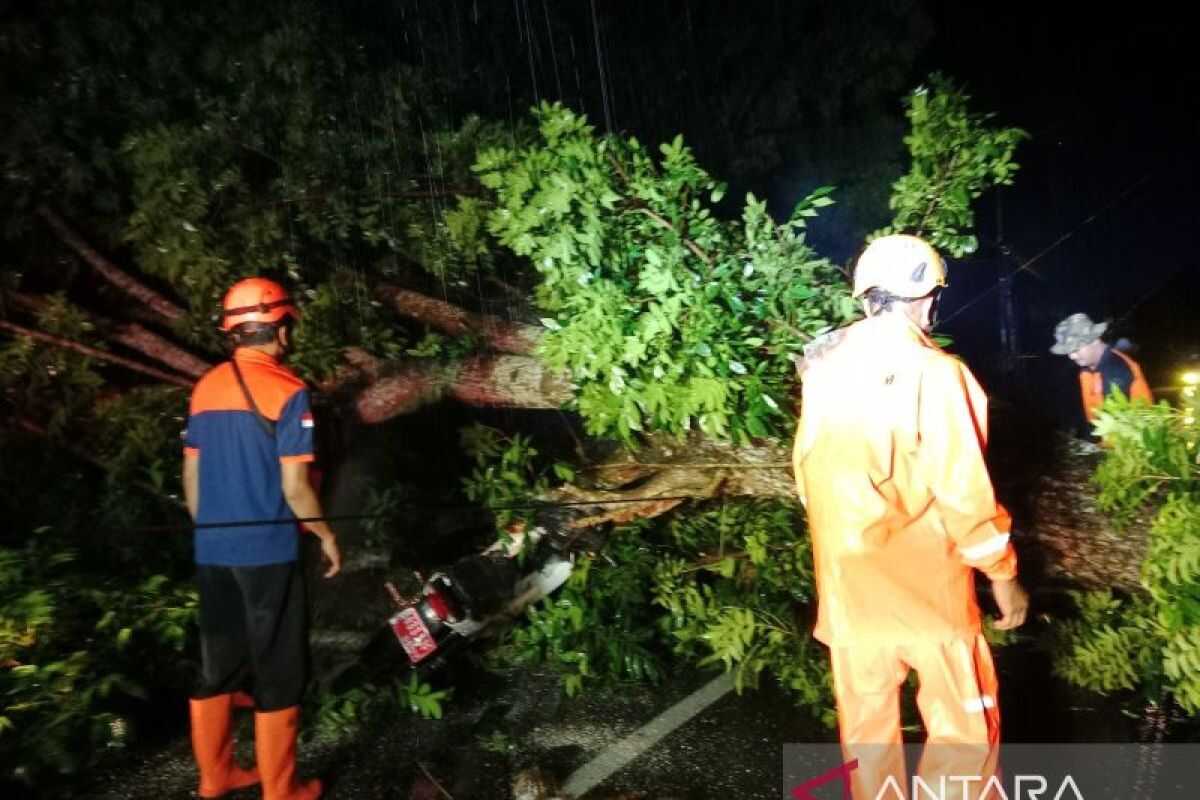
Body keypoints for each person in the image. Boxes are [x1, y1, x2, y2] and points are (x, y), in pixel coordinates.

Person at [792, 234, 1029, 799]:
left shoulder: (822, 370)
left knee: (868, 741)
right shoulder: (937, 374)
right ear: (926, 298)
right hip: (930, 597)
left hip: (849, 596)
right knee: (962, 735)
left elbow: (805, 476)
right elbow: (964, 492)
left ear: (865, 297)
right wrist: (1004, 576)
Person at [183, 277, 342, 799]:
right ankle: (281, 790)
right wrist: (325, 534)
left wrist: (213, 533)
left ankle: (216, 777)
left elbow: (192, 482)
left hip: (213, 550)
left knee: (218, 665)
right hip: (268, 554)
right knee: (278, 665)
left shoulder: (205, 388)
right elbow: (296, 487)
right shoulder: (288, 391)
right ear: (281, 326)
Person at [1049, 313, 1152, 434]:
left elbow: (1115, 430)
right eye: (1069, 351)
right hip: (1101, 439)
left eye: (1076, 349)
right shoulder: (1088, 366)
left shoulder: (1116, 371)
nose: (1071, 356)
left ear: (1095, 340)